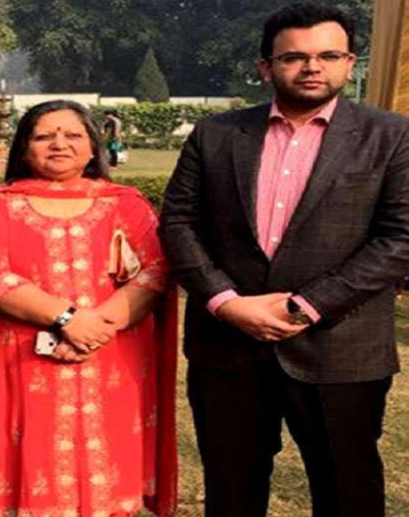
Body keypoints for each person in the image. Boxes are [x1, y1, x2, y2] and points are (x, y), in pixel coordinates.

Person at [159, 4, 409, 517]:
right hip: (227, 347)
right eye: (294, 57)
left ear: (350, 63)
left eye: (328, 55)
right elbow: (178, 223)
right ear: (266, 67)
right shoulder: (217, 134)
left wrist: (306, 306)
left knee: (348, 493)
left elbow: (399, 237)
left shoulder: (392, 135)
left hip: (341, 350)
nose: (312, 67)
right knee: (231, 492)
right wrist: (226, 302)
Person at [0, 100, 178, 516]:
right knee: (27, 468)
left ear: (93, 146)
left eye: (73, 135)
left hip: (110, 356)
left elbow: (154, 272)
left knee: (107, 468)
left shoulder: (126, 204)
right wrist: (67, 319)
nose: (59, 144)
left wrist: (93, 329)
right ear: (24, 148)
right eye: (44, 136)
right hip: (19, 360)